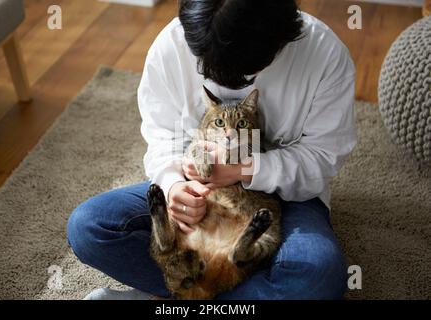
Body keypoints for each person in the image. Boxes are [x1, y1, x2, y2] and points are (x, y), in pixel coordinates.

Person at [67, 0, 357, 300]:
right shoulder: (171, 46)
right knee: (88, 227)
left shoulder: (324, 53)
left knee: (321, 276)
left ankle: (173, 296)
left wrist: (243, 170)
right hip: (200, 189)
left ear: (279, 41)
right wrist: (173, 184)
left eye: (246, 74)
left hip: (286, 196)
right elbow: (161, 137)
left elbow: (324, 157)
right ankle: (226, 291)